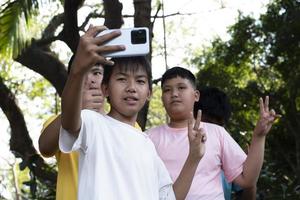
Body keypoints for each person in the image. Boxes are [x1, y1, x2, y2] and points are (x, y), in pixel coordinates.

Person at [58, 25, 204, 200]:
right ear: (105, 89)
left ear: (149, 93)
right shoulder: (93, 123)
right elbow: (69, 123)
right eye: (121, 79)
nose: (132, 88)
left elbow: (169, 197)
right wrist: (78, 69)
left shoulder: (147, 144)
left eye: (140, 81)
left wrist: (194, 157)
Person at [148, 66, 280, 200]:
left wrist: (259, 136)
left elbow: (247, 180)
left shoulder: (217, 133)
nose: (174, 94)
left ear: (196, 95)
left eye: (181, 87)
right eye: (167, 90)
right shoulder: (148, 138)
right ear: (162, 98)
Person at [39, 56, 105, 200]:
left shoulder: (128, 125)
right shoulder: (56, 121)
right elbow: (45, 147)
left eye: (96, 73)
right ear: (72, 81)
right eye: (82, 73)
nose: (90, 80)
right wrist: (77, 107)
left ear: (107, 80)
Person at [194, 87, 256, 200]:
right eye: (207, 124)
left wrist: (250, 171)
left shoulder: (227, 151)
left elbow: (246, 194)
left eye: (219, 127)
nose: (213, 132)